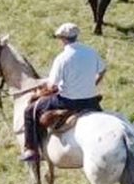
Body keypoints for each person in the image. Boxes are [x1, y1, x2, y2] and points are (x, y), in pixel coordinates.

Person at [20, 23, 107, 162]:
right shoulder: (91, 51)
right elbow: (102, 70)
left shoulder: (62, 58)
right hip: (91, 100)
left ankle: (31, 150)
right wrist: (93, 83)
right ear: (76, 36)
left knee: (30, 111)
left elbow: (52, 85)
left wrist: (42, 89)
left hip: (68, 101)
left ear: (63, 39)